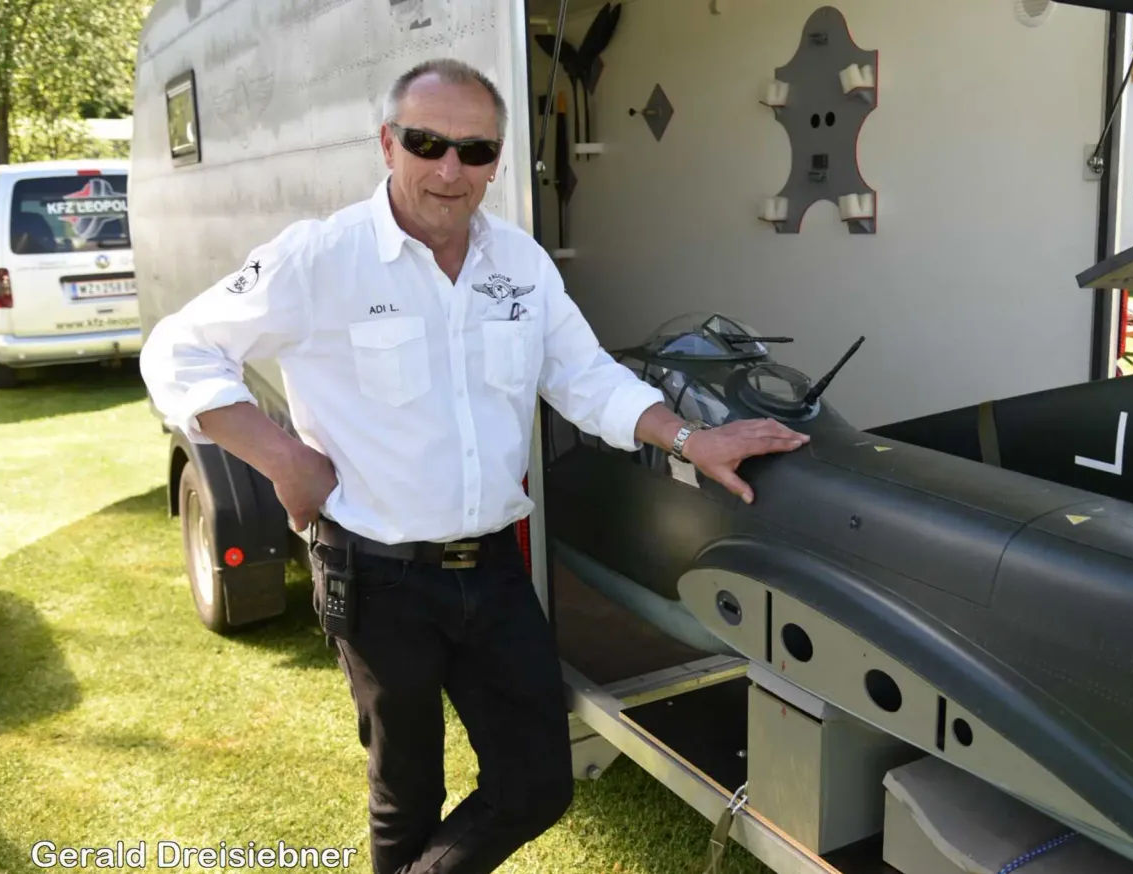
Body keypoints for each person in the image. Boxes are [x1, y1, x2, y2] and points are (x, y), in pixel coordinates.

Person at [139, 59, 809, 874]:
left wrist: (687, 438)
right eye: (427, 143)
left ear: (496, 159)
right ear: (388, 144)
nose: (451, 169)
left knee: (537, 784)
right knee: (407, 794)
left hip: (492, 574)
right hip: (377, 576)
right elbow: (179, 348)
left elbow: (583, 375)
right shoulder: (321, 259)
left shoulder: (518, 264)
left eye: (476, 150)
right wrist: (281, 457)